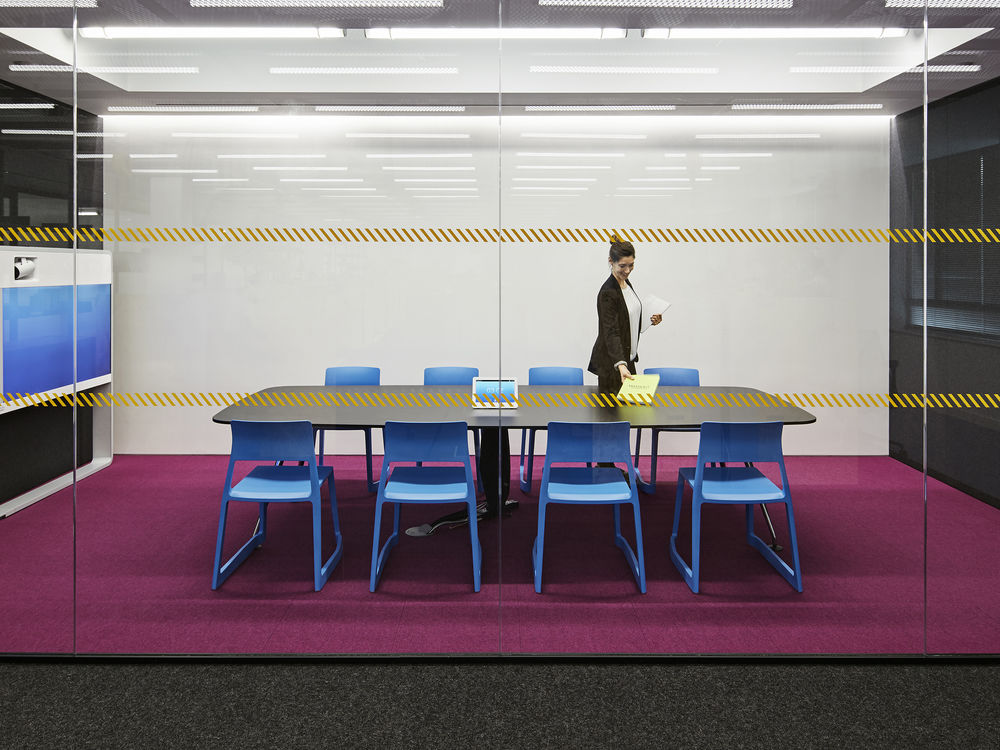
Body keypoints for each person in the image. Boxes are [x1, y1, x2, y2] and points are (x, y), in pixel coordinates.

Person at [588, 239, 662, 396]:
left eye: (631, 265)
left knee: (631, 409)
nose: (628, 270)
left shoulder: (625, 283)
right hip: (612, 365)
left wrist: (650, 320)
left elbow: (628, 317)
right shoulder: (608, 292)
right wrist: (621, 365)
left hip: (628, 359)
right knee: (613, 411)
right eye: (622, 266)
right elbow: (611, 331)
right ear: (611, 261)